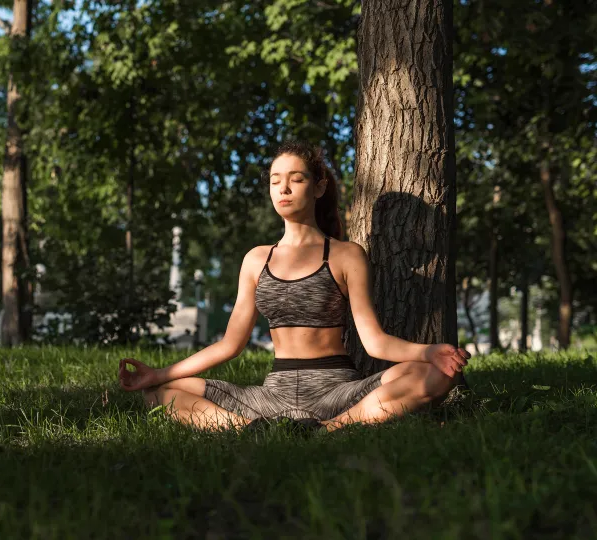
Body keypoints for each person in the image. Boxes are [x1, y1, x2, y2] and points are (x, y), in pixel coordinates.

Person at [117, 140, 470, 434]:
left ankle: (328, 430)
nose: (283, 189)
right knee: (159, 393)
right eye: (275, 181)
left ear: (318, 186)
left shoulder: (346, 255)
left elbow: (374, 341)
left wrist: (428, 352)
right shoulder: (257, 260)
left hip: (336, 390)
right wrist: (158, 374)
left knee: (436, 376)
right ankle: (247, 429)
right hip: (273, 394)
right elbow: (230, 344)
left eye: (295, 179)